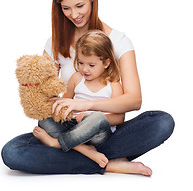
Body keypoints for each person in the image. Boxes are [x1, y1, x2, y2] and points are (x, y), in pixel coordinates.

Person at [1, 0, 175, 176]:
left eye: (80, 6)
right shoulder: (54, 44)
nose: (74, 15)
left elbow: (134, 100)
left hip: (105, 130)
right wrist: (35, 90)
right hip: (68, 128)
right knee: (12, 152)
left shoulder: (119, 42)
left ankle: (73, 154)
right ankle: (106, 162)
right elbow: (45, 97)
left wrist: (85, 105)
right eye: (66, 8)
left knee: (162, 121)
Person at [33, 30, 127, 169]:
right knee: (44, 119)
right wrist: (54, 104)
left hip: (97, 133)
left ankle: (56, 143)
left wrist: (88, 116)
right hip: (74, 126)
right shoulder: (77, 78)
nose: (85, 69)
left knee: (97, 118)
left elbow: (119, 118)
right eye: (81, 63)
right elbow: (65, 103)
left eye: (91, 65)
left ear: (106, 63)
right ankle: (83, 149)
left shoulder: (113, 84)